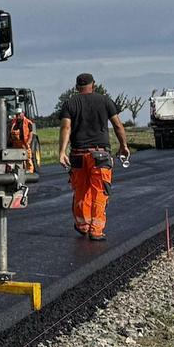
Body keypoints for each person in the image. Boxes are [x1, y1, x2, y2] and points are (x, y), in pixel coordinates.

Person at [59, 73, 130, 240]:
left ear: (76, 87)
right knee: (99, 191)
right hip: (100, 155)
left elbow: (65, 128)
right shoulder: (105, 101)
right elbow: (118, 125)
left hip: (78, 154)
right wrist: (123, 145)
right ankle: (96, 230)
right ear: (94, 85)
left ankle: (83, 225)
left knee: (81, 191)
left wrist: (62, 151)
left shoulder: (70, 103)